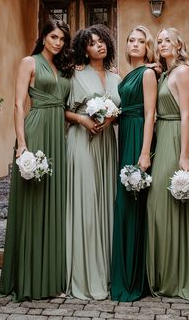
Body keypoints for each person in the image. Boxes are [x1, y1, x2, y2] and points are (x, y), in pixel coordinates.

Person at [0, 20, 74, 302]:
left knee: (53, 202)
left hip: (58, 136)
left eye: (63, 39)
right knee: (32, 204)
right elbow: (18, 104)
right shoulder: (29, 62)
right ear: (42, 36)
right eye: (53, 36)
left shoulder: (63, 68)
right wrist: (23, 146)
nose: (58, 42)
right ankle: (28, 277)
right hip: (37, 130)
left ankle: (51, 275)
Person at [146, 27, 189, 303]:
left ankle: (176, 278)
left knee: (170, 204)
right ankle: (165, 273)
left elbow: (187, 114)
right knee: (158, 205)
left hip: (175, 141)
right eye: (159, 41)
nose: (163, 43)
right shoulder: (165, 73)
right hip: (163, 139)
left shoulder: (181, 71)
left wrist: (183, 155)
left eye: (168, 39)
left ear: (179, 44)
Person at [65, 24, 121, 300]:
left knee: (106, 203)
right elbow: (63, 110)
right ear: (83, 50)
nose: (99, 45)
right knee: (87, 204)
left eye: (102, 41)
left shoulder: (116, 77)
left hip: (107, 145)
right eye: (92, 42)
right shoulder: (75, 76)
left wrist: (112, 118)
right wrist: (82, 119)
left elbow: (121, 109)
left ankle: (108, 272)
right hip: (82, 142)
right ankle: (85, 274)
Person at [111, 25, 157, 301]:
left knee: (133, 202)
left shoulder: (148, 73)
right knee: (124, 202)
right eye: (131, 40)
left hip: (139, 134)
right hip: (125, 130)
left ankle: (133, 279)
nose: (135, 44)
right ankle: (123, 273)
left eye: (141, 41)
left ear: (147, 46)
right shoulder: (128, 74)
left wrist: (144, 153)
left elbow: (150, 114)